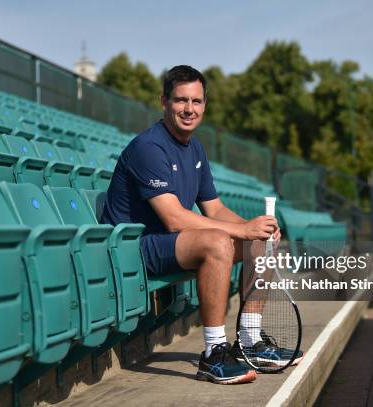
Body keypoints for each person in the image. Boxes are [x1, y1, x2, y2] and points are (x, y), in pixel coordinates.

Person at [102, 65, 289, 384]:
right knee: (217, 242)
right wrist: (241, 231)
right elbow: (174, 219)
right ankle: (213, 355)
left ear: (204, 105)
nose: (189, 109)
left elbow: (214, 209)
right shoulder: (149, 147)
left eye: (197, 102)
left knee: (261, 243)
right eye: (181, 100)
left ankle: (249, 343)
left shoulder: (195, 148)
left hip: (169, 243)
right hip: (135, 248)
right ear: (164, 102)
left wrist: (253, 227)